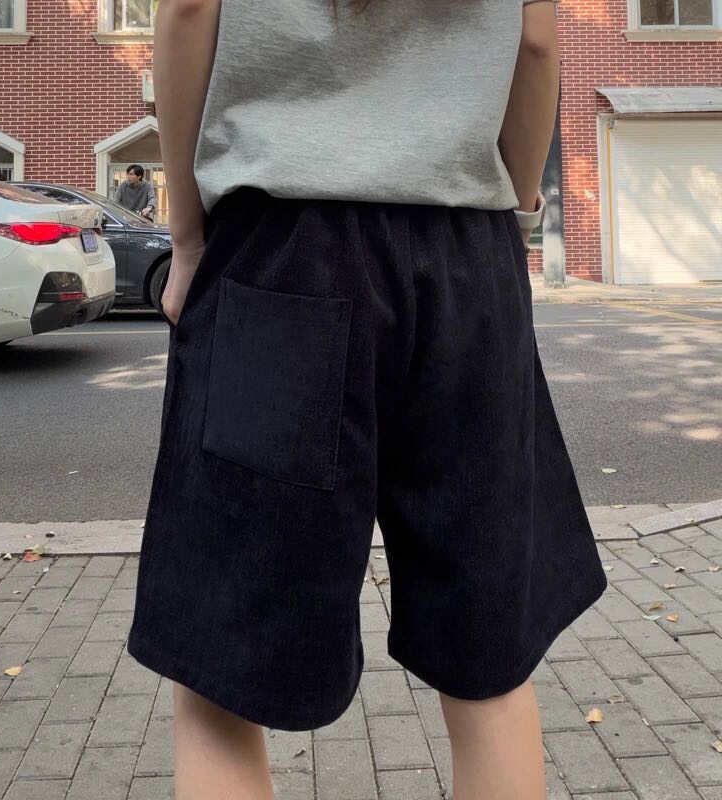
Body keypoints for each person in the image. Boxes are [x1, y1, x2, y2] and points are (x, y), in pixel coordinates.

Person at [126, 1, 608, 798]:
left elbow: (187, 10)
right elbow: (533, 43)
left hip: (282, 250)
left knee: (222, 661)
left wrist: (187, 236)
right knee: (487, 654)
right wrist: (510, 216)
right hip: (466, 259)